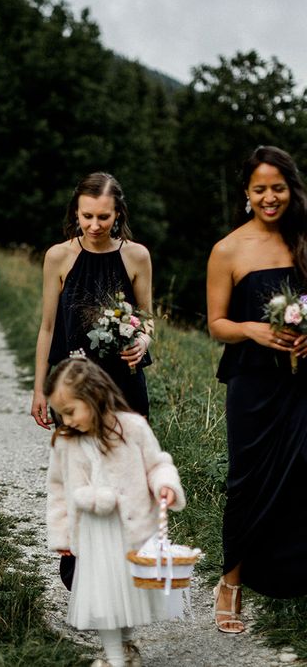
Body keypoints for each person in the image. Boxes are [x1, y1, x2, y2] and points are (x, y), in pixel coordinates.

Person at [31, 172, 153, 590]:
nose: (95, 225)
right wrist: (40, 388)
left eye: (104, 217)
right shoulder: (58, 257)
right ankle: (80, 567)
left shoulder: (136, 256)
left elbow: (148, 319)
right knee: (79, 476)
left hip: (124, 386)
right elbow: (48, 327)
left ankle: (123, 569)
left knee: (125, 477)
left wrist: (142, 339)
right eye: (87, 216)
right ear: (76, 213)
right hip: (73, 389)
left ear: (118, 214)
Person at [207, 145, 307, 633]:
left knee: (303, 473)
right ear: (246, 193)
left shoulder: (304, 239)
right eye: (260, 189)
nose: (270, 197)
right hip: (252, 381)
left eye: (278, 188)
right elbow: (216, 324)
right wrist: (252, 329)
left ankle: (291, 576)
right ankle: (231, 584)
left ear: (291, 189)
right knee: (246, 480)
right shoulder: (228, 249)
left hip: (302, 379)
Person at [45, 355, 185, 667]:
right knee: (104, 597)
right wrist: (62, 535)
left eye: (70, 412)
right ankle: (113, 657)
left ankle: (125, 644)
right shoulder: (65, 443)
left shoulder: (132, 428)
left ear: (93, 396)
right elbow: (57, 491)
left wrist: (165, 485)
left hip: (130, 530)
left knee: (128, 594)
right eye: (61, 414)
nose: (66, 421)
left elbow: (157, 463)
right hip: (95, 533)